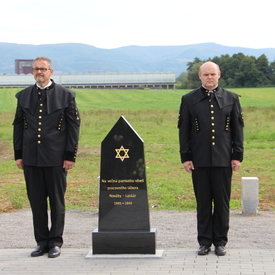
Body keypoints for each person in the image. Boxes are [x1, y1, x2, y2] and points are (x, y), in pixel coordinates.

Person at [13, 56, 80, 258]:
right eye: (35, 69)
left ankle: (55, 242)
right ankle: (41, 242)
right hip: (31, 158)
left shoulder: (66, 96)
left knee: (57, 202)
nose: (39, 72)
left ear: (51, 72)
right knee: (37, 202)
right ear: (32, 72)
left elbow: (73, 128)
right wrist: (19, 155)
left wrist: (70, 156)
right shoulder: (24, 96)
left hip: (56, 158)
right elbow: (18, 127)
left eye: (43, 69)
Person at [178, 61, 244, 256]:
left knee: (222, 203)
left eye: (212, 74)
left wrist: (237, 155)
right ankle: (205, 242)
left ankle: (220, 241)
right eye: (206, 74)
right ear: (199, 76)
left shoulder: (231, 98)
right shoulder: (189, 99)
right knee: (203, 202)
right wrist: (186, 157)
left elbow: (237, 130)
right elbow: (184, 131)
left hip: (224, 159)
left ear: (219, 75)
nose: (209, 77)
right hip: (199, 160)